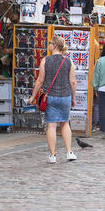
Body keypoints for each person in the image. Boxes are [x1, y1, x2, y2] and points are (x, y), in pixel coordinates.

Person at [29, 35, 77, 164]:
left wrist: (33, 96)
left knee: (51, 126)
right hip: (65, 95)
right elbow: (72, 81)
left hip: (50, 96)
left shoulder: (46, 60)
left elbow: (40, 80)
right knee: (65, 123)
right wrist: (73, 97)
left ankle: (52, 155)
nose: (48, 44)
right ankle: (69, 152)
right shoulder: (68, 61)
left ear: (54, 45)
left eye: (50, 43)